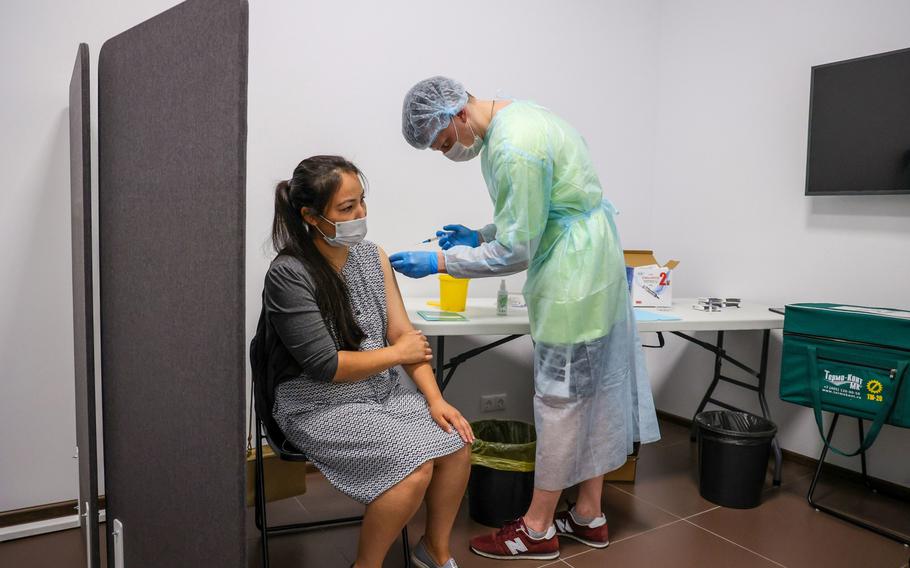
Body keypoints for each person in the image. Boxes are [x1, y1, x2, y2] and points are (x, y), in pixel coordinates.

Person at [392, 77, 660, 561]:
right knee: (594, 394)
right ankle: (589, 514)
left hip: (573, 279)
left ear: (457, 113)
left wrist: (440, 263)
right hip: (591, 264)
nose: (447, 152)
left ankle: (537, 529)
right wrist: (478, 233)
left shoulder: (514, 146)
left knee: (560, 402)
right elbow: (539, 209)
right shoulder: (522, 117)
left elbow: (517, 247)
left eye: (445, 142)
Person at [261, 155, 473, 568]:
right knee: (414, 467)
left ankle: (434, 551)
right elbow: (326, 366)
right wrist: (399, 354)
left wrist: (435, 399)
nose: (360, 214)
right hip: (317, 402)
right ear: (310, 215)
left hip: (381, 395)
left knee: (458, 442)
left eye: (362, 202)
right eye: (346, 208)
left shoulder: (372, 257)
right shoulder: (289, 274)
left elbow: (401, 334)